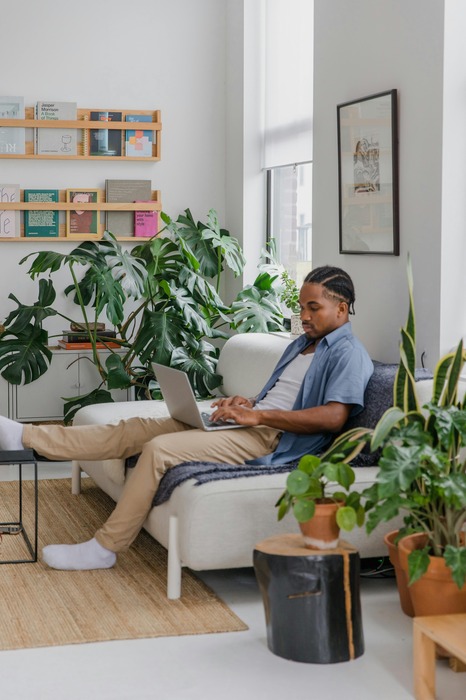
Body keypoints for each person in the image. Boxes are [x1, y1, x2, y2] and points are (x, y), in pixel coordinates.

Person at [0, 265, 374, 571]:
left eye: (313, 308)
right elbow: (287, 394)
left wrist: (258, 415)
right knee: (135, 428)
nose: (304, 316)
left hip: (271, 438)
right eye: (302, 307)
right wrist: (247, 401)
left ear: (341, 309)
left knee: (159, 449)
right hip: (253, 421)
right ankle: (26, 438)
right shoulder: (301, 344)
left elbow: (331, 417)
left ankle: (105, 548)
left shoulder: (348, 354)